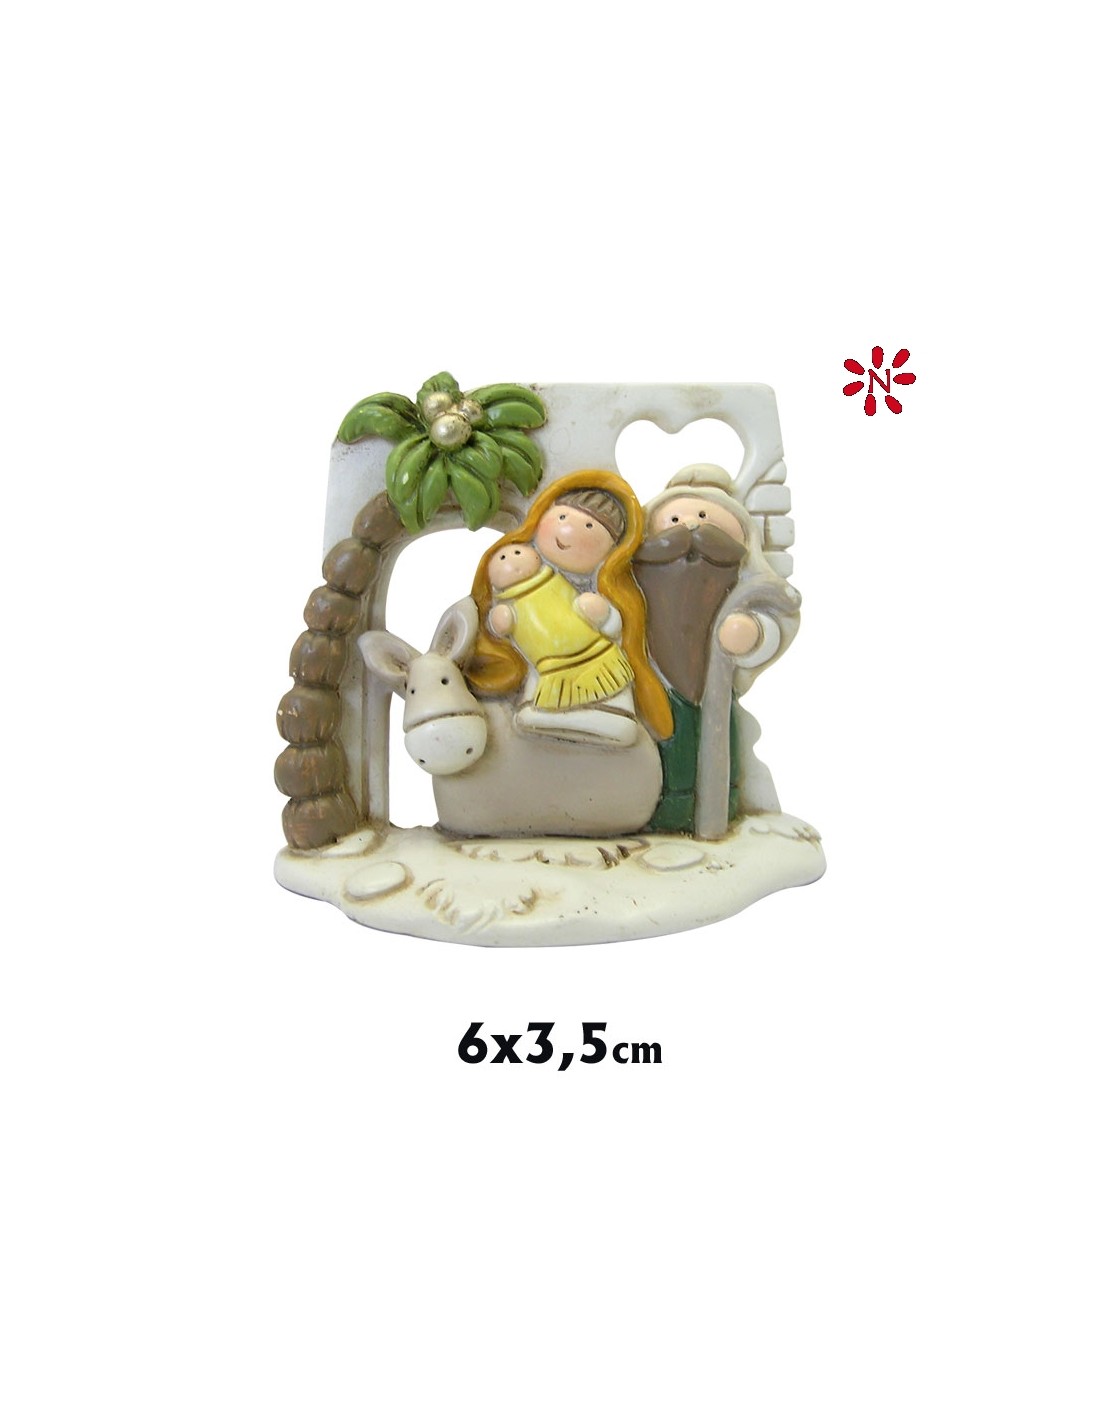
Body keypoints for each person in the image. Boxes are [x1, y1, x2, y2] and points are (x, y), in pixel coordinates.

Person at [633, 464, 800, 833]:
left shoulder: (746, 577)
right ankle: (665, 808)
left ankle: (720, 805)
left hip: (716, 686)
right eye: (674, 518)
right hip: (657, 679)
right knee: (667, 741)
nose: (691, 525)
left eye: (704, 515)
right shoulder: (643, 569)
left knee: (721, 741)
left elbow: (780, 614)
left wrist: (754, 633)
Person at [467, 470, 673, 745]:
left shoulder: (601, 589)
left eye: (589, 526)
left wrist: (603, 615)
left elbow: (617, 627)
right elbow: (500, 629)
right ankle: (549, 718)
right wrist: (499, 622)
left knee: (614, 697)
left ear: (612, 552)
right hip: (547, 670)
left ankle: (608, 720)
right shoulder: (518, 590)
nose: (569, 532)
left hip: (599, 662)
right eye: (562, 517)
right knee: (536, 690)